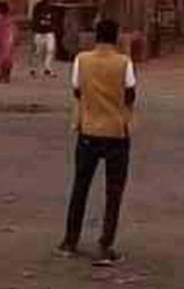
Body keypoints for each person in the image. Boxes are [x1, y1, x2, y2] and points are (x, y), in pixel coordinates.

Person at [58, 18, 137, 264]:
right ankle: (106, 243)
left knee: (80, 187)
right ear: (116, 38)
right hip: (116, 133)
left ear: (96, 37)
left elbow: (77, 90)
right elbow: (130, 93)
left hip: (88, 131)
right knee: (114, 191)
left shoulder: (82, 60)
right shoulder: (124, 62)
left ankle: (70, 241)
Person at [30, 0, 58, 78]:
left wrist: (53, 26)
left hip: (49, 32)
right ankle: (34, 69)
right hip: (40, 32)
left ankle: (47, 68)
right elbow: (34, 18)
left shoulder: (52, 7)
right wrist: (35, 28)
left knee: (50, 50)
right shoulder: (38, 6)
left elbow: (55, 18)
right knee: (38, 51)